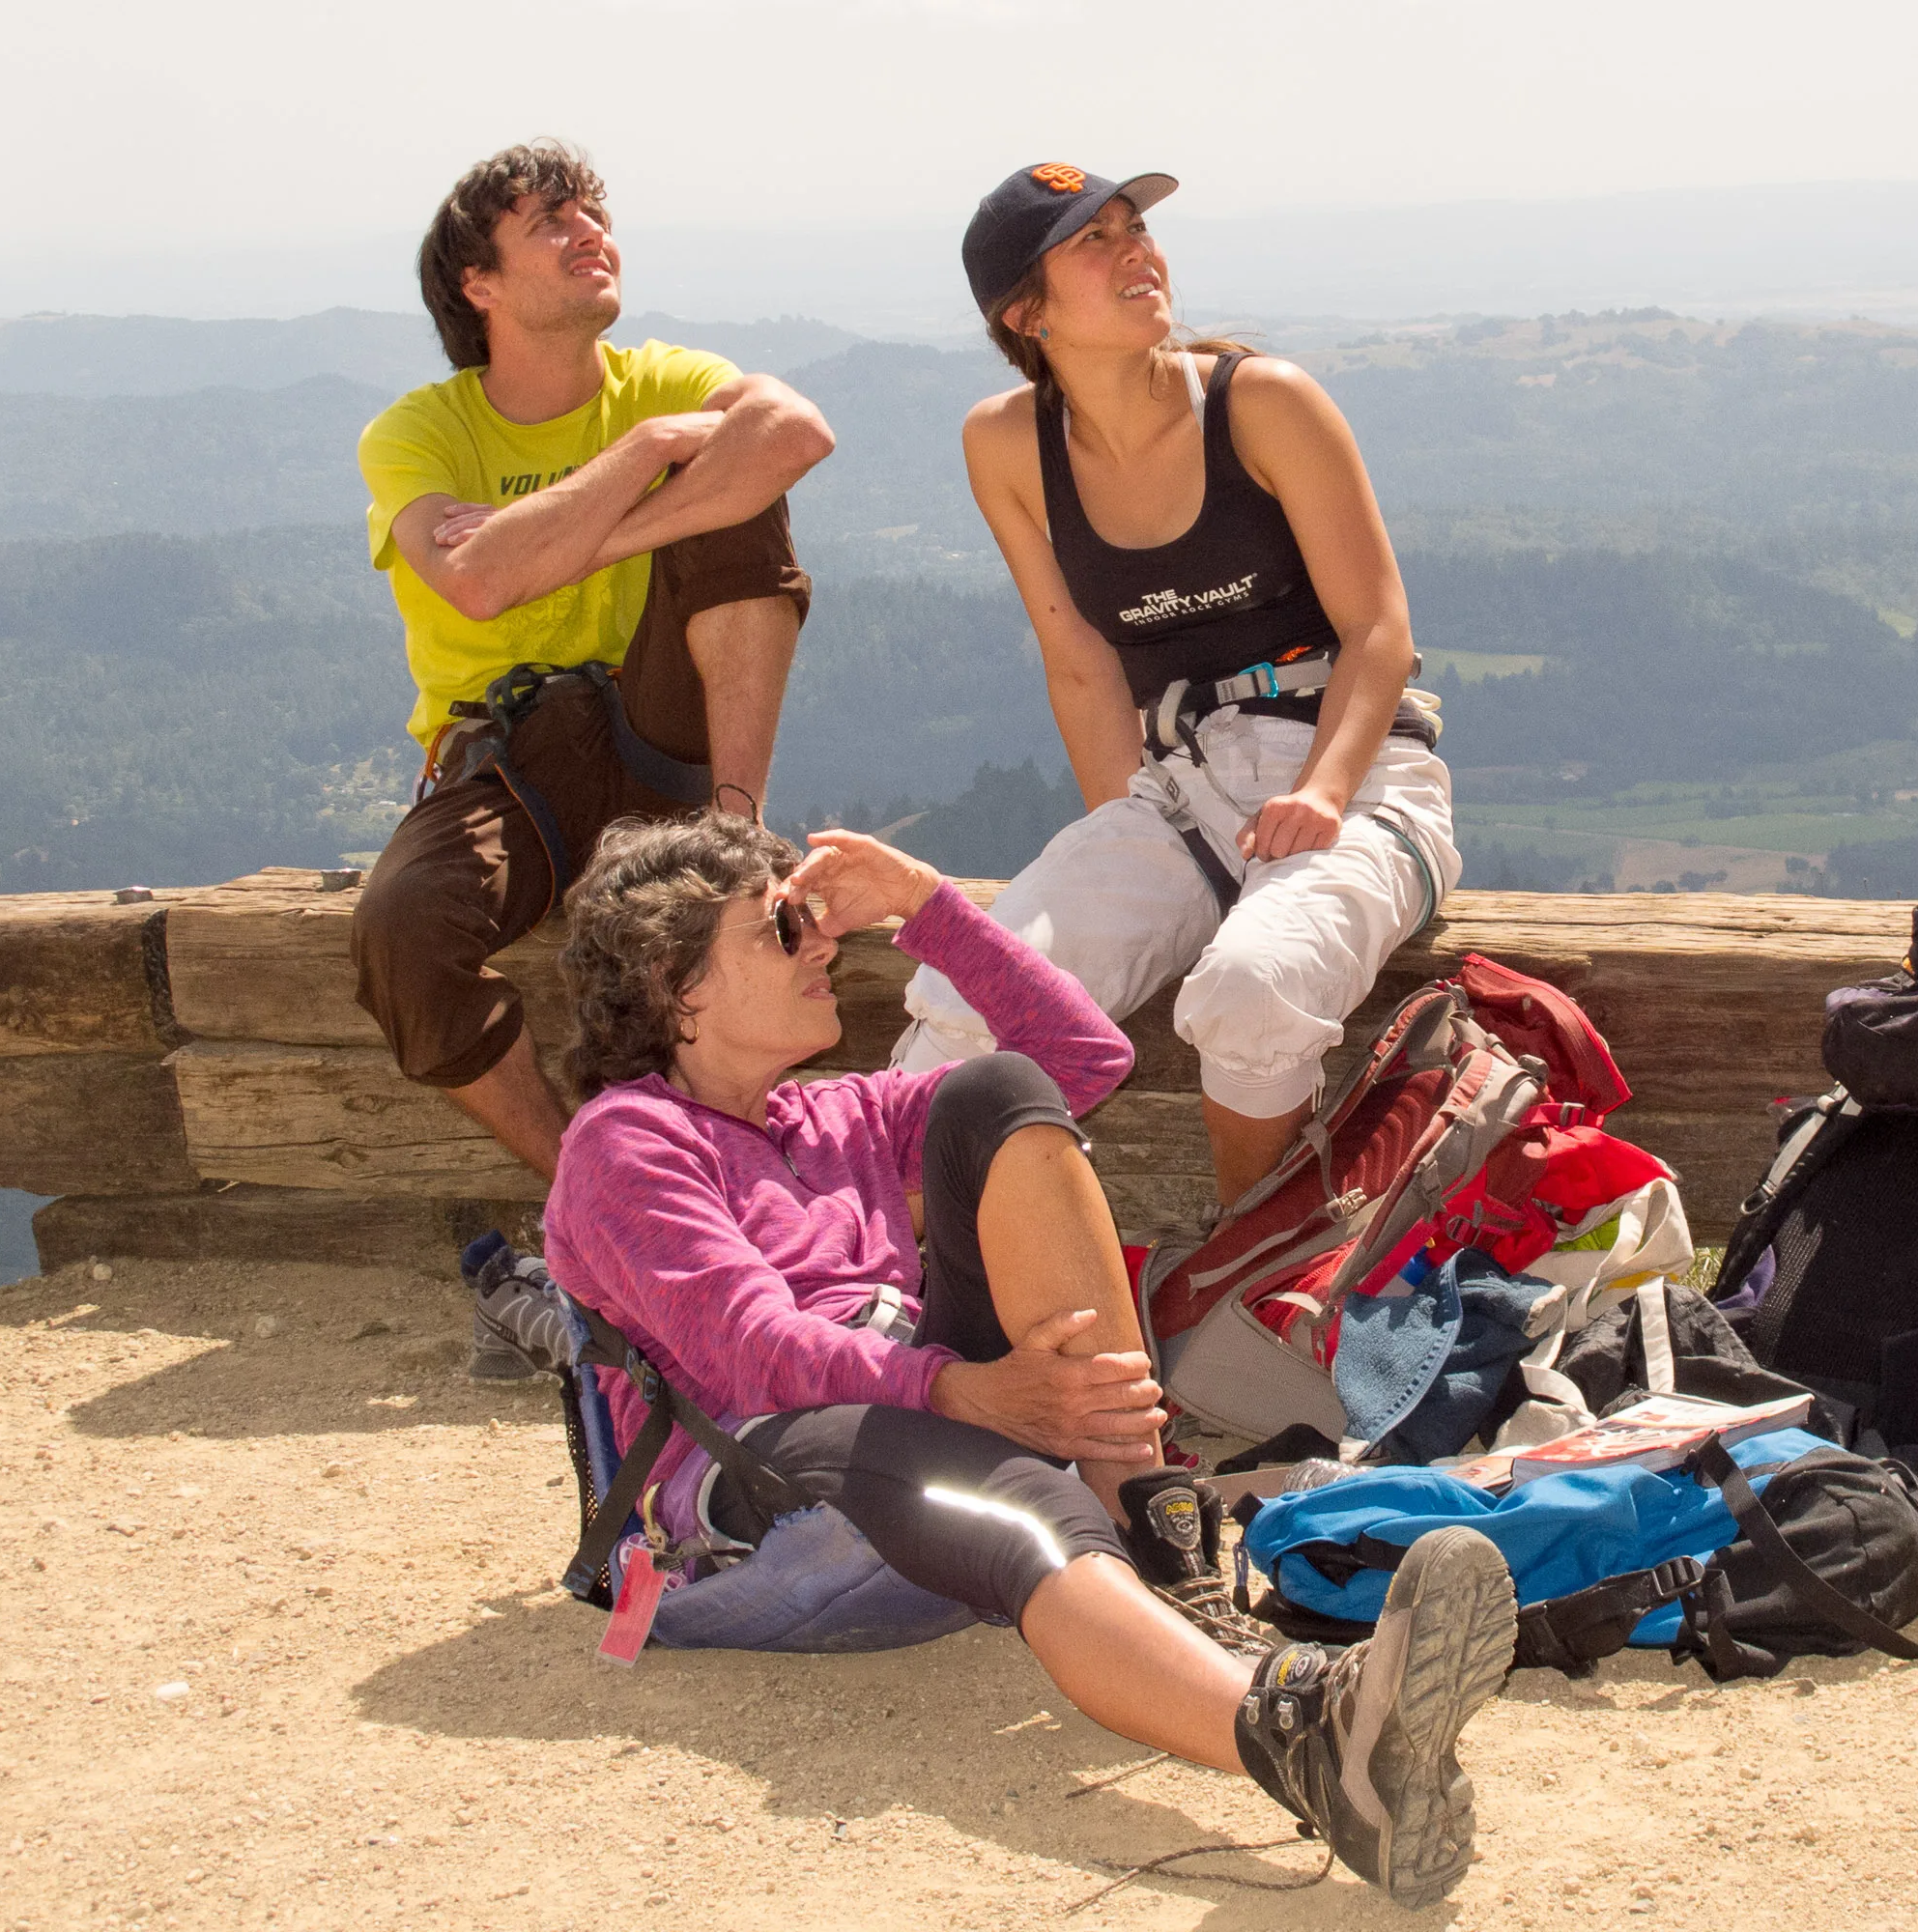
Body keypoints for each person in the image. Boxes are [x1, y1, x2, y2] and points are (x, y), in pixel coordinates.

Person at [542, 812, 1520, 1908]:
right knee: (1001, 1486)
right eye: (779, 927)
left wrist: (926, 901)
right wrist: (968, 1391)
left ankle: (1161, 1549)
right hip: (750, 1489)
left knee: (994, 1094)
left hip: (898, 1421)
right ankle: (1307, 1735)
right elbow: (755, 1352)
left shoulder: (835, 1114)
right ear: (679, 986)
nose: (820, 942)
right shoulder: (625, 1142)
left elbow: (1078, 1061)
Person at [889, 164, 1461, 1205]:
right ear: (1026, 312)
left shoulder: (1262, 402)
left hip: (1362, 774)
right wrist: (1134, 847)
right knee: (972, 994)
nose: (1134, 249)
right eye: (1092, 242)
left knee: (1252, 987)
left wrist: (1326, 791)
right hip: (1183, 787)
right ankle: (874, 1289)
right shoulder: (1005, 443)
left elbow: (1378, 628)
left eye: (1132, 227)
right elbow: (1077, 658)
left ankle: (1248, 1271)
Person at [349, 138, 834, 1205]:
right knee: (402, 929)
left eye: (594, 215)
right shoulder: (418, 434)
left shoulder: (666, 375)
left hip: (663, 726)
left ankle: (738, 835)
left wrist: (581, 537)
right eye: (551, 223)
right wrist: (652, 447)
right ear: (479, 283)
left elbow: (795, 431)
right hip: (509, 761)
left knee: (742, 490)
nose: (591, 235)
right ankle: (605, 1192)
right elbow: (476, 585)